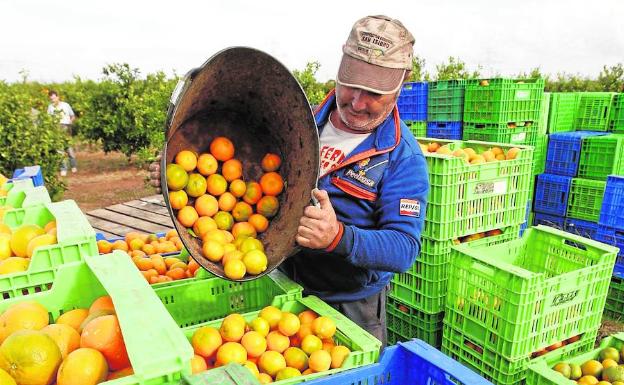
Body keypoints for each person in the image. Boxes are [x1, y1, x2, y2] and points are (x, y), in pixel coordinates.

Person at [151, 15, 429, 347]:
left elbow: (404, 249)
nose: (357, 101)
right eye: (350, 84)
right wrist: (173, 177)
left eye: (373, 93)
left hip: (348, 304)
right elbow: (246, 177)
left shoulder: (401, 158)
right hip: (281, 283)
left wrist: (337, 237)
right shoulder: (302, 120)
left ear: (400, 86)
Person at [47, 90, 77, 176]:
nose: (53, 100)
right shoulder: (50, 107)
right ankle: (63, 168)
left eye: (54, 98)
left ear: (57, 97)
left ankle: (73, 165)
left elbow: (72, 116)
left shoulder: (65, 105)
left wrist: (70, 122)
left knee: (68, 147)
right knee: (59, 149)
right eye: (51, 99)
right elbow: (48, 119)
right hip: (56, 127)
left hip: (66, 127)